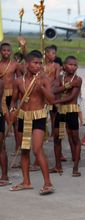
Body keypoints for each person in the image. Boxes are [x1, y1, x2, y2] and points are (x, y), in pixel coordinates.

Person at [9, 50, 55, 195]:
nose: (38, 66)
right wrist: (12, 112)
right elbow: (14, 100)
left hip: (38, 117)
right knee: (24, 150)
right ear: (27, 64)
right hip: (24, 117)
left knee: (37, 149)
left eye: (40, 63)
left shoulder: (44, 80)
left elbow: (52, 100)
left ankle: (48, 183)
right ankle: (26, 182)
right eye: (35, 63)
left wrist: (40, 86)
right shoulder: (18, 81)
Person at [51, 56, 83, 177]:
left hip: (71, 111)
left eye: (75, 65)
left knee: (75, 139)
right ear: (64, 66)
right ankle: (58, 166)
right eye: (70, 64)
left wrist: (56, 101)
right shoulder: (60, 78)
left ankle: (75, 168)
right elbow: (53, 90)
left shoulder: (78, 79)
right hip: (61, 111)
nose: (72, 67)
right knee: (57, 138)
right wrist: (69, 85)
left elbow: (71, 97)